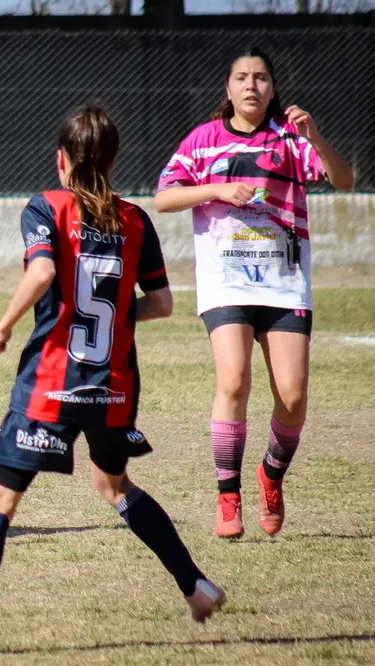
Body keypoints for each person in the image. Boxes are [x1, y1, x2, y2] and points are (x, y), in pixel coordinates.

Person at [0, 106, 225, 653]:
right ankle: (196, 586)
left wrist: (1, 327)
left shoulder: (47, 205)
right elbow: (160, 304)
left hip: (53, 385)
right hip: (115, 389)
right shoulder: (135, 219)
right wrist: (115, 314)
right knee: (113, 485)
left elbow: (43, 271)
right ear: (112, 161)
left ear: (62, 159)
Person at [154, 48, 354, 539]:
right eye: (241, 77)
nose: (251, 85)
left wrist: (316, 138)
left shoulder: (291, 138)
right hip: (227, 281)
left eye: (261, 77)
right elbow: (163, 196)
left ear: (272, 87)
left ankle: (270, 475)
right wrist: (216, 190)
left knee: (293, 393)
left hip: (284, 282)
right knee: (235, 379)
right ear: (227, 87)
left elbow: (344, 180)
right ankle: (228, 494)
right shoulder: (203, 140)